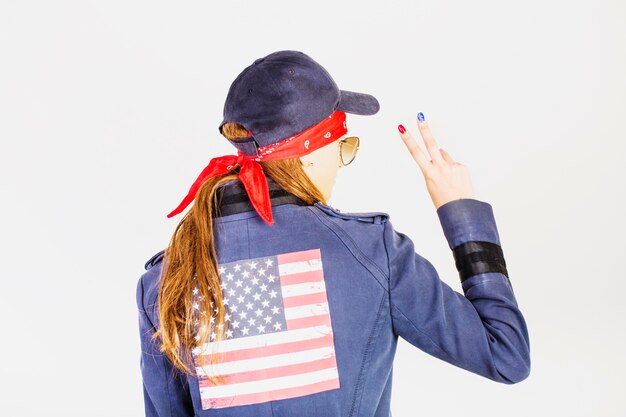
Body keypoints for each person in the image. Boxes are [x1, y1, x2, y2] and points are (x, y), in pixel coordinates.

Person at [136, 49, 531, 417]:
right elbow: (506, 354)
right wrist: (460, 210)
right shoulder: (373, 252)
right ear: (309, 153)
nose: (342, 165)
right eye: (344, 148)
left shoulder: (163, 279)